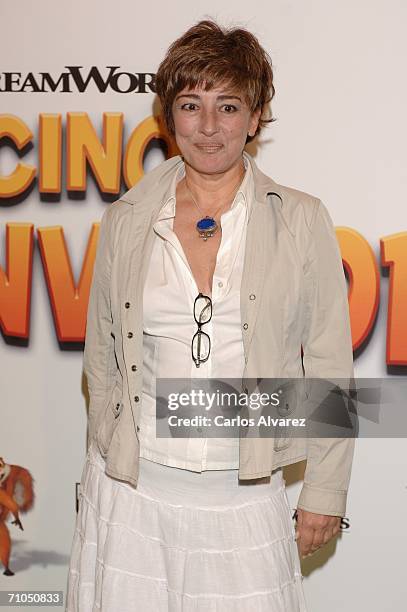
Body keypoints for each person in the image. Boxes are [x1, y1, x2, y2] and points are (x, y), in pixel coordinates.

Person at [65, 19, 355, 612]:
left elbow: (329, 365)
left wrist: (324, 489)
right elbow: (103, 358)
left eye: (228, 106)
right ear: (169, 117)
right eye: (191, 105)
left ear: (255, 118)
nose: (209, 126)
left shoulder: (300, 219)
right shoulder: (127, 217)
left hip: (242, 501)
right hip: (129, 499)